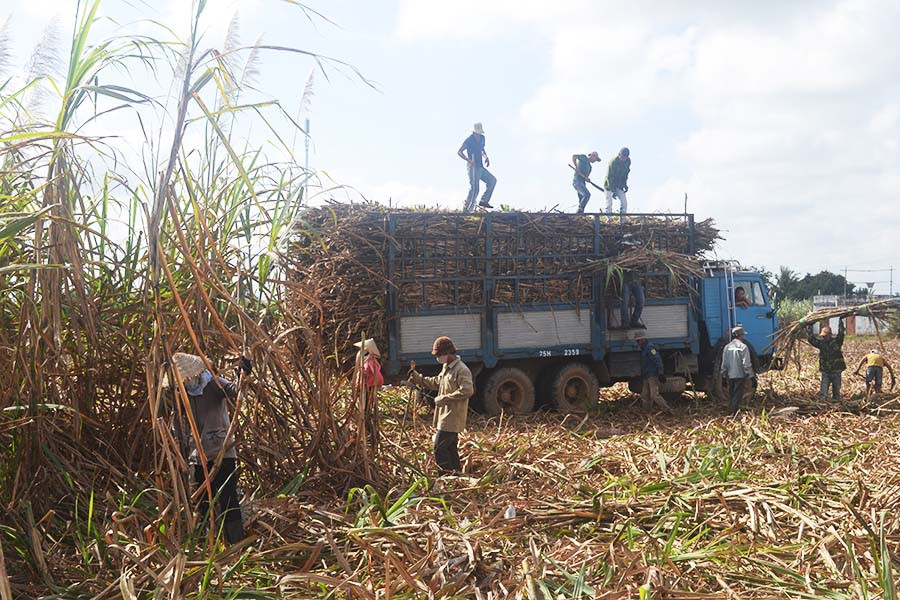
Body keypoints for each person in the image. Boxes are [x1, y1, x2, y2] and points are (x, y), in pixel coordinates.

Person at [167, 351, 252, 544]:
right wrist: (179, 447)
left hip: (222, 450)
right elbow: (177, 424)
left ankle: (236, 542)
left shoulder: (213, 383)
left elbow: (237, 390)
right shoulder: (182, 394)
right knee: (204, 502)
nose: (188, 380)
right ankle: (209, 542)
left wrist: (244, 373)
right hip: (198, 455)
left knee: (228, 497)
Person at [407, 336, 474, 473]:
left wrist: (444, 398)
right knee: (450, 448)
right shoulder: (446, 367)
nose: (437, 357)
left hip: (453, 416)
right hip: (445, 415)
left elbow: (467, 391)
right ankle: (455, 474)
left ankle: (444, 476)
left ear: (448, 353)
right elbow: (437, 382)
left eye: (439, 355)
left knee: (439, 447)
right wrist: (418, 378)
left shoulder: (461, 370)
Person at [458, 122, 496, 211]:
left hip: (480, 166)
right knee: (475, 189)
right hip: (472, 167)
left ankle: (484, 201)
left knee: (492, 180)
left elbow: (482, 149)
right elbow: (459, 152)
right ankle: (468, 209)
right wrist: (469, 160)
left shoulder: (482, 138)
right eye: (477, 133)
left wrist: (486, 157)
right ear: (474, 132)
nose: (478, 134)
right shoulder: (469, 140)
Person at [353, 338, 384, 449]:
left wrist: (356, 387)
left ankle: (371, 437)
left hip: (366, 390)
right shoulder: (371, 361)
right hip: (369, 389)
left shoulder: (367, 362)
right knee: (367, 413)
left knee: (365, 414)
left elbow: (373, 377)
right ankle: (371, 436)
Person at [807, 319, 846, 402]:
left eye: (825, 336)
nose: (823, 337)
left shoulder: (837, 342)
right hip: (826, 372)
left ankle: (836, 406)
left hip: (836, 371)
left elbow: (841, 333)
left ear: (830, 335)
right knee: (823, 392)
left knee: (836, 392)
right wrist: (810, 326)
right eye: (823, 336)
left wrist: (840, 321)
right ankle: (823, 405)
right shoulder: (821, 344)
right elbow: (811, 339)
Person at [721, 326, 754, 415]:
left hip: (730, 375)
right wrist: (750, 375)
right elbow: (746, 363)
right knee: (737, 395)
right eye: (743, 335)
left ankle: (730, 410)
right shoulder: (743, 347)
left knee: (732, 393)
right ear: (740, 335)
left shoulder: (727, 347)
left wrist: (723, 374)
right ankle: (733, 413)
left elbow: (724, 363)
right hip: (740, 375)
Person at [636, 334, 671, 411]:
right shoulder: (644, 349)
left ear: (643, 339)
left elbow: (657, 359)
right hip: (646, 375)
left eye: (638, 340)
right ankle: (647, 411)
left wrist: (661, 372)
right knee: (645, 395)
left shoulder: (650, 348)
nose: (638, 342)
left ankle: (667, 409)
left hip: (652, 375)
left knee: (654, 395)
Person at [604, 147, 630, 214]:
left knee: (624, 202)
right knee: (609, 204)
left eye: (625, 157)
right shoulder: (613, 162)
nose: (624, 158)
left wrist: (625, 184)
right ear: (619, 154)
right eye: (622, 156)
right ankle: (608, 221)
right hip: (609, 185)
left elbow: (625, 174)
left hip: (619, 185)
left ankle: (623, 220)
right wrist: (613, 190)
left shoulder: (628, 161)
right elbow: (609, 177)